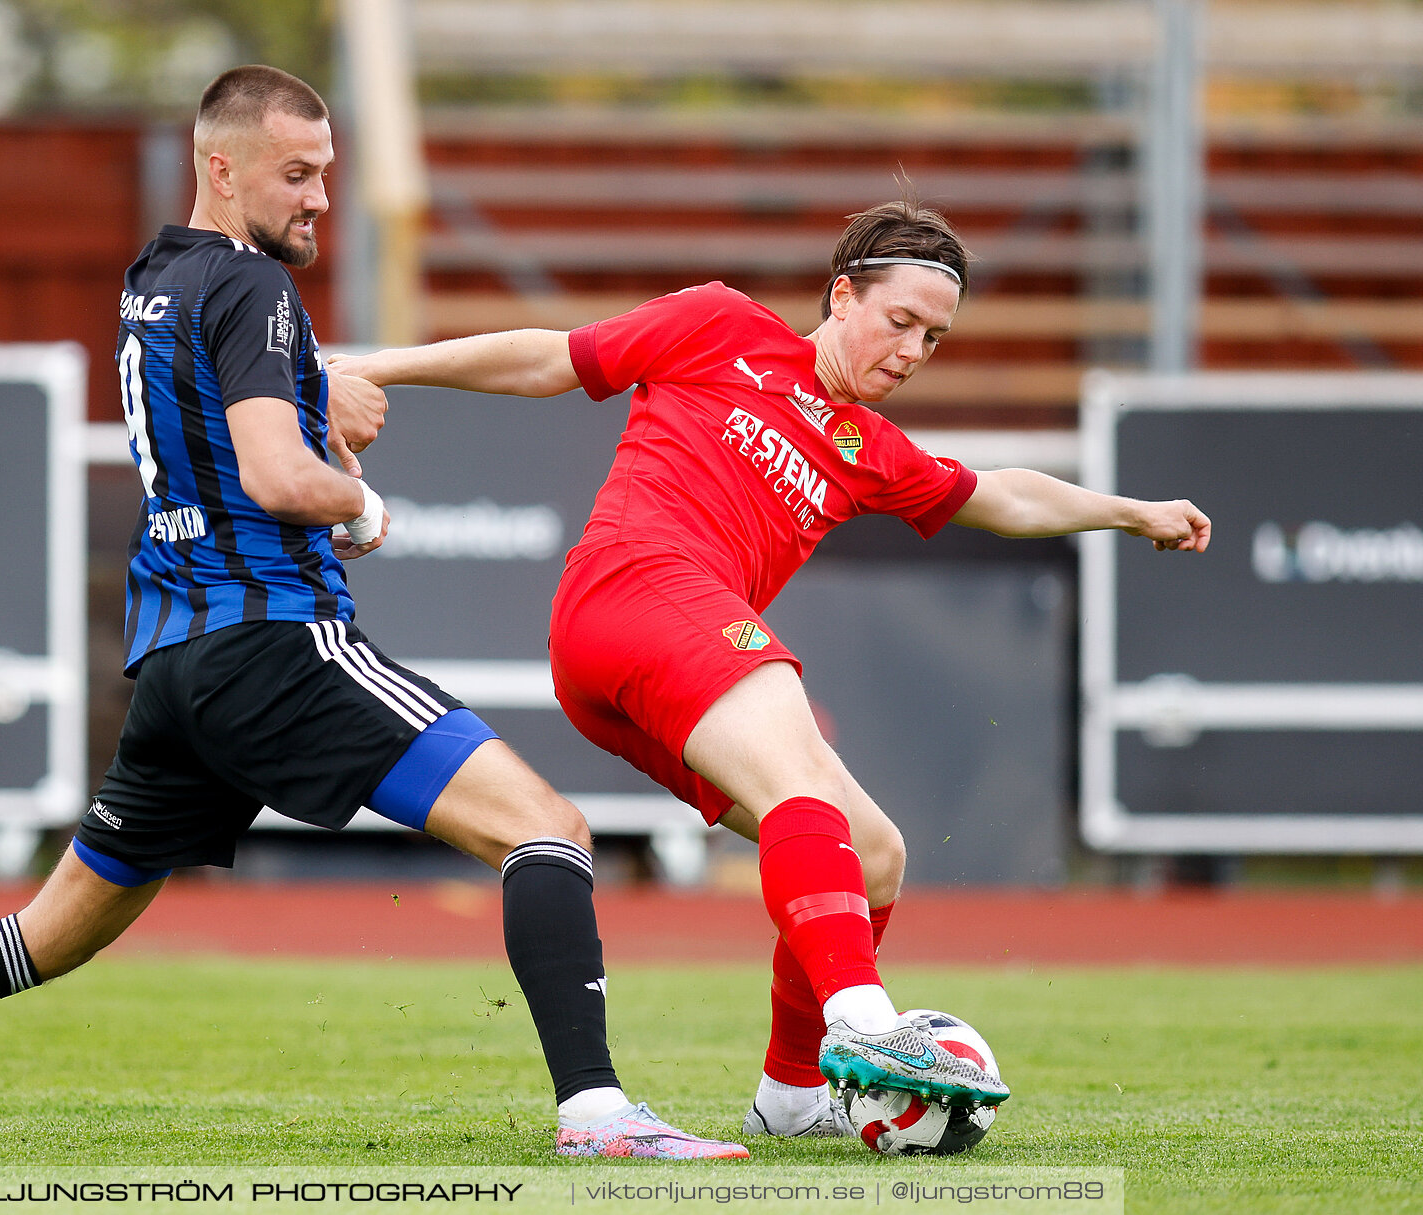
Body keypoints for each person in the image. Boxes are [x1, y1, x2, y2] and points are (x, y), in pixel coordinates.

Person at [0, 65, 747, 1162]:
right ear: (221, 166)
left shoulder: (155, 275)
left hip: (174, 666)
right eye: (296, 174)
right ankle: (596, 1117)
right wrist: (357, 497)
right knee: (548, 828)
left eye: (328, 174)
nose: (319, 199)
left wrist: (314, 399)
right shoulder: (255, 290)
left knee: (42, 937)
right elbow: (275, 480)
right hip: (274, 640)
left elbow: (221, 412)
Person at [327, 199, 1211, 1140]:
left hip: (638, 673)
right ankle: (866, 1022)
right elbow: (555, 355)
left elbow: (1002, 497)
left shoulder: (870, 449)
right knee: (799, 762)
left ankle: (791, 1098)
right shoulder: (722, 323)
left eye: (935, 337)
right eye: (899, 320)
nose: (912, 349)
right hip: (632, 589)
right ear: (842, 295)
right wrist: (378, 364)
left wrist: (1128, 510)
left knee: (874, 853)